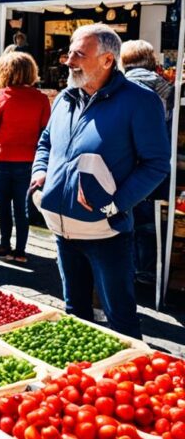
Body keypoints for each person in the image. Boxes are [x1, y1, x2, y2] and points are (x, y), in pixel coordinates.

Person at [31, 24, 169, 337]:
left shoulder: (140, 101)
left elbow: (157, 164)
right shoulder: (65, 98)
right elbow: (46, 142)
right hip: (61, 229)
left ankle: (129, 379)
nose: (68, 61)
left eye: (78, 54)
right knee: (74, 314)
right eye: (69, 53)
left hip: (106, 234)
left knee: (119, 319)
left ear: (108, 60)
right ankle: (79, 379)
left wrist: (115, 203)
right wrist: (40, 175)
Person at [0, 51, 51, 262]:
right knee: (22, 207)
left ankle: (4, 244)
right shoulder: (41, 99)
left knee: (3, 205)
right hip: (29, 159)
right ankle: (20, 251)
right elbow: (45, 130)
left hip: (2, 157)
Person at [121, 39, 173, 284]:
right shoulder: (167, 88)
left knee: (123, 215)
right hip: (156, 163)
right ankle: (148, 269)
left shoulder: (121, 87)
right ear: (152, 61)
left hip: (125, 162)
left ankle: (126, 268)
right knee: (150, 220)